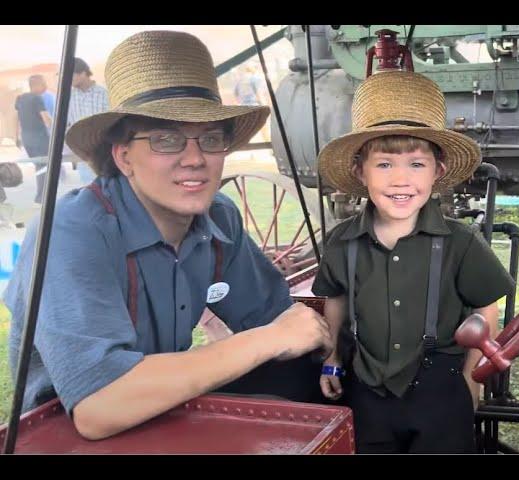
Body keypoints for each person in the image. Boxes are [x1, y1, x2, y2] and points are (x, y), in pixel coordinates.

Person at [5, 30, 331, 441]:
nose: (194, 159)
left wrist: (333, 328)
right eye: (166, 139)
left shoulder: (219, 219)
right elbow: (99, 406)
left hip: (163, 401)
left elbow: (277, 317)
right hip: (66, 428)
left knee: (319, 379)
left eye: (210, 139)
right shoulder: (72, 231)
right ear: (124, 156)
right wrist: (267, 340)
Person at [311, 70, 515, 453]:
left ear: (437, 171)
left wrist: (472, 379)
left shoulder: (460, 242)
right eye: (385, 164)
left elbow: (485, 308)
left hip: (440, 386)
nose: (401, 180)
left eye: (416, 165)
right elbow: (335, 300)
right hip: (366, 389)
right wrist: (333, 357)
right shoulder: (342, 241)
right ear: (360, 171)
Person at [66, 57, 109, 184]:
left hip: (103, 150)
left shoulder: (104, 94)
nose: (68, 79)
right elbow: (68, 124)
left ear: (83, 73)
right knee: (89, 187)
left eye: (72, 75)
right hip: (82, 153)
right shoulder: (69, 97)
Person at [15, 74, 53, 203]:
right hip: (39, 137)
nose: (45, 86)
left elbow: (18, 120)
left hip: (26, 138)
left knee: (39, 165)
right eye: (43, 83)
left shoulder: (20, 98)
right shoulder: (37, 98)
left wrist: (17, 137)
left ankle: (40, 196)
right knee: (45, 166)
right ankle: (43, 197)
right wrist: (59, 128)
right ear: (36, 85)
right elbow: (46, 119)